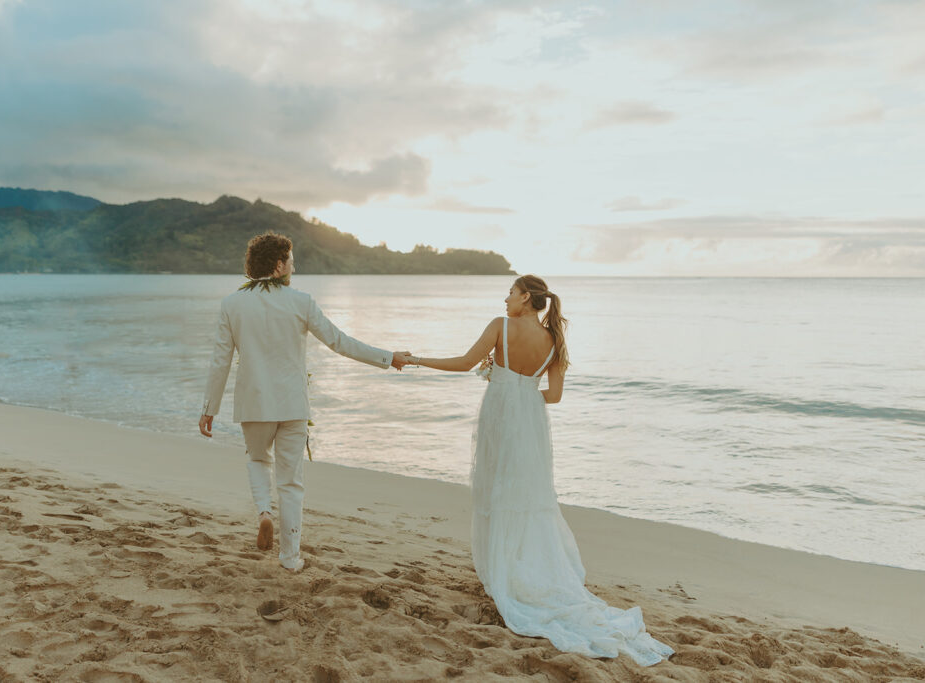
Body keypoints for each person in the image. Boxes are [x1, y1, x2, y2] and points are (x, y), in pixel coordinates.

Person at [409, 275, 674, 666]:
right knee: (526, 496)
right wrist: (523, 392)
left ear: (526, 297)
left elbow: (465, 363)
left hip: (501, 416)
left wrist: (416, 359)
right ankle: (523, 570)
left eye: (510, 293)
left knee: (497, 492)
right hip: (530, 422)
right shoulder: (555, 341)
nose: (505, 299)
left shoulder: (500, 326)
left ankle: (505, 574)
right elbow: (554, 396)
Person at [199, 231, 410, 572]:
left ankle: (264, 513)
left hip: (254, 403)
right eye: (292, 262)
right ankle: (290, 557)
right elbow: (339, 342)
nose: (294, 269)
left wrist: (209, 408)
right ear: (279, 264)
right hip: (293, 404)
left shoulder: (231, 305)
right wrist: (389, 358)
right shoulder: (301, 302)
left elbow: (220, 361)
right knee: (291, 481)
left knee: (256, 459)